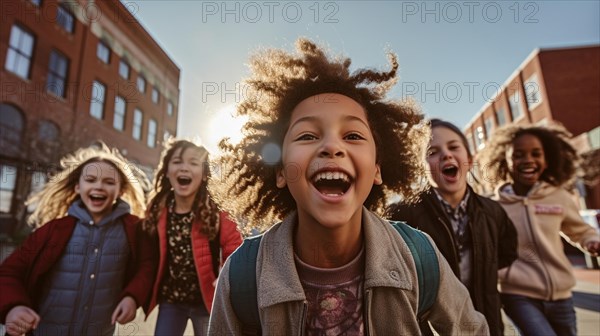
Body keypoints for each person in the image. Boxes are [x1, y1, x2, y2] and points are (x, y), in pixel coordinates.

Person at [207, 38, 489, 335]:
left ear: (378, 168)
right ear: (279, 171)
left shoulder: (419, 256)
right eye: (306, 136)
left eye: (353, 135)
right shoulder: (242, 274)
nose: (331, 146)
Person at [0, 143, 155, 336]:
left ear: (121, 189)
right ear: (77, 186)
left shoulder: (134, 229)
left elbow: (148, 266)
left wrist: (133, 296)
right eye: (90, 180)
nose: (99, 186)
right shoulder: (53, 230)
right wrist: (15, 306)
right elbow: (8, 273)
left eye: (109, 182)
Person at [386, 118, 518, 335]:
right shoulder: (401, 215)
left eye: (453, 147)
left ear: (469, 158)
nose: (446, 154)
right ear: (421, 167)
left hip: (487, 323)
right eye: (432, 151)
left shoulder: (493, 211)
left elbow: (507, 252)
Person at [477, 123, 600, 336]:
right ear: (504, 160)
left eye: (536, 154)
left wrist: (591, 241)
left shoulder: (558, 196)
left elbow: (580, 231)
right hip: (518, 295)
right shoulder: (495, 207)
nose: (528, 160)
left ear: (547, 159)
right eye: (518, 155)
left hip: (562, 295)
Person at [143, 139, 243, 336]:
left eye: (193, 163)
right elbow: (145, 255)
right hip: (171, 301)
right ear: (166, 170)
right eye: (178, 161)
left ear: (205, 174)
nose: (184, 168)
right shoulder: (157, 210)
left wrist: (227, 274)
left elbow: (234, 246)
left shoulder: (217, 211)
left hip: (207, 302)